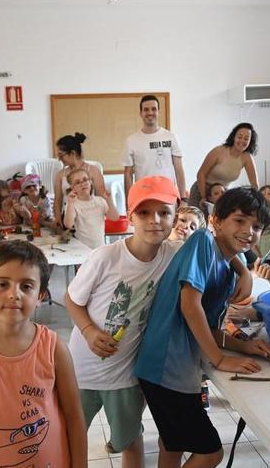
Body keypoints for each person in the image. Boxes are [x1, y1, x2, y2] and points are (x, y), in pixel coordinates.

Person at [134, 187, 270, 468]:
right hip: (166, 370)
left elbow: (207, 328)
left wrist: (244, 346)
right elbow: (190, 305)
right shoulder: (201, 241)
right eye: (240, 220)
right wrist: (221, 359)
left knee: (172, 444)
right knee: (210, 453)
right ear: (216, 221)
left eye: (257, 226)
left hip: (173, 371)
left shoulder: (225, 269)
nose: (249, 231)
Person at [65, 176, 182, 468]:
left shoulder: (174, 255)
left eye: (164, 212)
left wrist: (241, 272)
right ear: (130, 216)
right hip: (81, 371)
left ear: (175, 215)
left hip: (125, 376)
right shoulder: (105, 257)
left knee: (129, 440)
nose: (155, 221)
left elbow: (213, 249)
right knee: (69, 438)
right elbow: (72, 299)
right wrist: (90, 332)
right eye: (144, 212)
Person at [0, 240, 87, 468]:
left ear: (41, 296)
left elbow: (75, 419)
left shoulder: (54, 349)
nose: (14, 294)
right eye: (2, 284)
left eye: (26, 286)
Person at [123, 95, 187, 205]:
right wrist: (129, 202)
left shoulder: (171, 137)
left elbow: (179, 169)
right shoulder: (131, 141)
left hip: (168, 196)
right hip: (143, 197)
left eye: (154, 109)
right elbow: (128, 174)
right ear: (141, 113)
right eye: (146, 109)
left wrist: (184, 199)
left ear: (158, 112)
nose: (150, 112)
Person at [189, 123, 260, 207]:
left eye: (246, 139)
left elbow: (254, 184)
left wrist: (257, 201)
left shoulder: (247, 157)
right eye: (239, 137)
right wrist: (204, 196)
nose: (242, 141)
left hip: (222, 194)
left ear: (250, 141)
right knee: (198, 219)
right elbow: (201, 174)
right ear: (234, 137)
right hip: (202, 190)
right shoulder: (219, 151)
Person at [53, 132, 108, 229]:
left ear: (72, 153)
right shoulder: (60, 175)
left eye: (61, 156)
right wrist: (58, 220)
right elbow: (57, 201)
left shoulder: (93, 171)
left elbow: (102, 198)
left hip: (90, 220)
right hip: (68, 220)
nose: (59, 159)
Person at [63, 168, 120, 250]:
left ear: (90, 182)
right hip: (83, 250)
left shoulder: (100, 201)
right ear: (72, 187)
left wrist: (109, 200)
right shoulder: (73, 204)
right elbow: (68, 224)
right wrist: (70, 203)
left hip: (101, 249)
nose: (82, 184)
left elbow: (115, 217)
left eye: (85, 180)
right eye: (77, 182)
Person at [254, 185, 270, 261]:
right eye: (262, 194)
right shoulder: (256, 216)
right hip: (260, 255)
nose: (265, 196)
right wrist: (258, 256)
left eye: (269, 194)